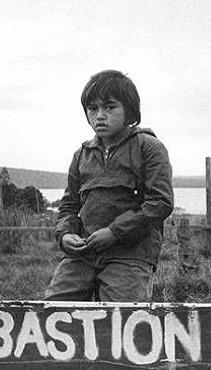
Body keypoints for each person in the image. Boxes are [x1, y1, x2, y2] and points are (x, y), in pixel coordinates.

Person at [44, 70, 173, 302]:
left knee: (122, 323)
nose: (99, 116)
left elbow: (160, 203)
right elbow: (69, 206)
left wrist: (115, 232)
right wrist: (65, 235)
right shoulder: (81, 155)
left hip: (131, 255)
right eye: (93, 109)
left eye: (110, 107)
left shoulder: (149, 148)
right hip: (83, 252)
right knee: (53, 313)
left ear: (130, 111)